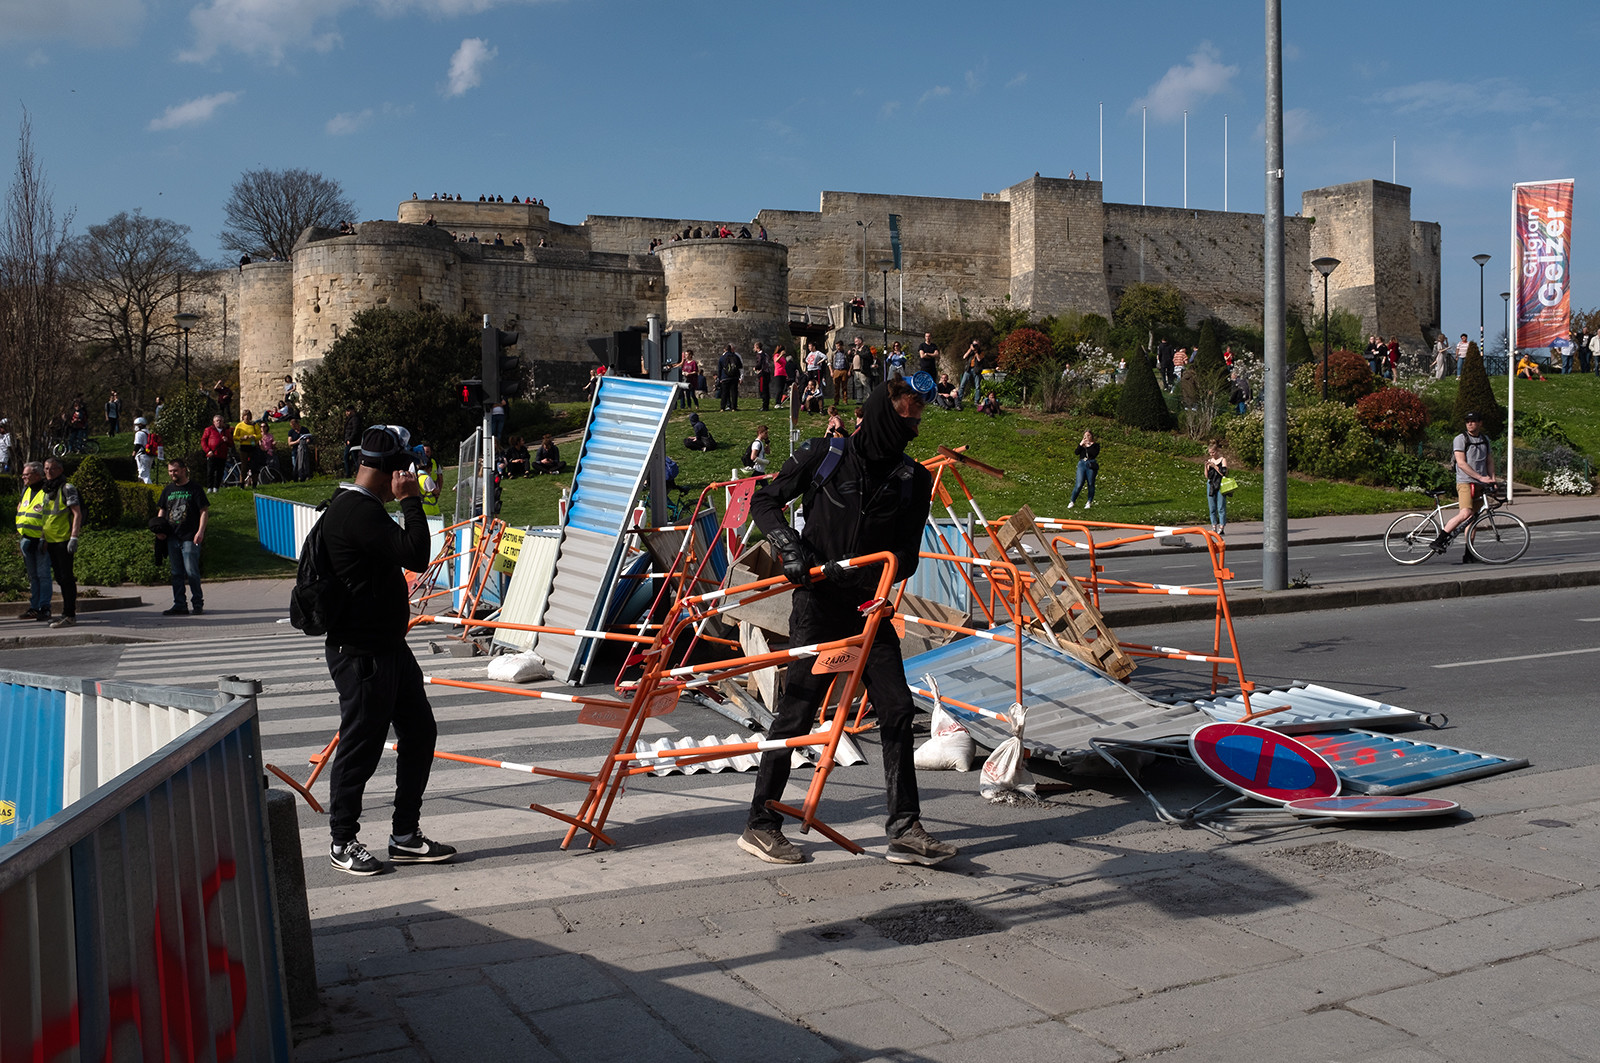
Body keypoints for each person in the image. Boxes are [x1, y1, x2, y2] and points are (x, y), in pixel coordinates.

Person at [741, 376, 955, 866]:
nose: (913, 428)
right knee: (797, 712)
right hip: (817, 604)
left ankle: (904, 828)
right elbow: (765, 501)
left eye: (918, 419)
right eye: (906, 418)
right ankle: (760, 824)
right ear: (882, 414)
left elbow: (907, 554)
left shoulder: (913, 479)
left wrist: (876, 574)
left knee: (898, 709)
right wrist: (789, 548)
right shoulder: (824, 455)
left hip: (867, 609)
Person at [322, 425, 455, 876]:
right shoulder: (356, 512)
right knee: (361, 745)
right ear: (389, 471)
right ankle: (342, 840)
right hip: (362, 652)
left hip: (388, 648)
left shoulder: (363, 508)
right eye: (403, 469)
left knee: (420, 732)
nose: (407, 475)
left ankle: (405, 836)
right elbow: (416, 555)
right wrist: (411, 501)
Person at [1431, 412, 1497, 563]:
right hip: (1465, 482)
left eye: (1473, 421)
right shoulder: (1460, 439)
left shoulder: (1485, 439)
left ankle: (1469, 553)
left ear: (1480, 423)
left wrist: (1492, 480)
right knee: (1466, 513)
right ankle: (1439, 540)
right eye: (1467, 421)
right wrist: (1480, 477)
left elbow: (1489, 461)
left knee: (1473, 520)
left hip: (1480, 483)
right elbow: (1461, 463)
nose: (1470, 424)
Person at [156, 457, 208, 616]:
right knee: (176, 573)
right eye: (170, 471)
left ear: (184, 470)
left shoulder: (195, 488)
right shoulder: (168, 490)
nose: (172, 474)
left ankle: (197, 603)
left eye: (175, 471)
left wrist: (200, 531)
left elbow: (204, 511)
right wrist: (159, 528)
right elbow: (162, 510)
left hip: (190, 537)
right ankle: (179, 605)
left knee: (191, 572)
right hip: (172, 537)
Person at [39, 458, 84, 628]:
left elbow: (77, 513)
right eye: (46, 468)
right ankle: (66, 613)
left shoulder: (67, 488)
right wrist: (43, 537)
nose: (48, 472)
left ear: (60, 470)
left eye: (52, 468)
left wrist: (74, 537)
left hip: (63, 540)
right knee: (59, 578)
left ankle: (70, 615)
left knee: (66, 578)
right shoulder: (46, 489)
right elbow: (45, 516)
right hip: (50, 540)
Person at [15, 462, 60, 623]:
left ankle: (44, 607)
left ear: (36, 475)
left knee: (43, 575)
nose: (23, 477)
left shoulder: (47, 491)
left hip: (41, 540)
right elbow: (21, 508)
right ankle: (34, 607)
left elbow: (51, 516)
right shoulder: (26, 490)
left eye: (26, 474)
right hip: (27, 539)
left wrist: (45, 537)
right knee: (33, 576)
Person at [1069, 430, 1100, 510]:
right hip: (1082, 464)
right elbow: (1076, 452)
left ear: (1091, 436)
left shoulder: (1095, 445)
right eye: (1085, 436)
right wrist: (1081, 444)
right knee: (1079, 484)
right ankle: (1072, 501)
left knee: (1090, 483)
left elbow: (1094, 454)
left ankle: (1089, 501)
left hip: (1090, 464)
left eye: (1088, 435)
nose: (1087, 437)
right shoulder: (1082, 445)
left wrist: (1088, 445)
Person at [232, 410, 263, 487]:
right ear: (243, 417)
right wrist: (242, 438)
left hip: (253, 446)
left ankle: (254, 483)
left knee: (254, 466)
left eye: (248, 415)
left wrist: (254, 437)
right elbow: (235, 437)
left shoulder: (254, 425)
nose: (247, 417)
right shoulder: (239, 425)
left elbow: (260, 435)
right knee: (244, 467)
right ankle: (242, 483)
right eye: (245, 415)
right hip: (244, 447)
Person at [1204, 442, 1228, 536]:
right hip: (1211, 484)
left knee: (1221, 507)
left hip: (1220, 484)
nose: (1212, 454)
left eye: (1213, 452)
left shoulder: (1222, 460)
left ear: (1217, 451)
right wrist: (1206, 466)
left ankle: (1222, 527)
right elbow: (1207, 476)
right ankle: (1214, 526)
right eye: (1210, 453)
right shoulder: (1209, 461)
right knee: (1212, 507)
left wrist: (1215, 466)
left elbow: (1224, 473)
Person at [717, 343, 743, 411]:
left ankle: (722, 408)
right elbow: (740, 366)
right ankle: (734, 407)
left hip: (725, 377)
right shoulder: (735, 356)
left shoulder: (722, 358)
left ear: (724, 349)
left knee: (724, 393)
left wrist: (719, 378)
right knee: (734, 393)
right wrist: (739, 376)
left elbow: (719, 369)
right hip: (734, 377)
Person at [288, 416, 314, 482]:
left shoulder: (304, 430)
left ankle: (305, 476)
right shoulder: (291, 432)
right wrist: (297, 441)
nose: (293, 427)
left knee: (304, 463)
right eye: (292, 426)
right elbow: (290, 443)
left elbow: (308, 438)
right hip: (295, 450)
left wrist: (306, 441)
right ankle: (296, 478)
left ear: (297, 424)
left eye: (294, 425)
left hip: (303, 449)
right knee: (295, 465)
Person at [958, 340, 983, 409]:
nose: (975, 346)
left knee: (977, 386)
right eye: (974, 344)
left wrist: (976, 352)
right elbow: (964, 357)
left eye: (976, 345)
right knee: (962, 385)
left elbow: (979, 359)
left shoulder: (981, 352)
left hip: (976, 370)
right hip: (968, 369)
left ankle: (976, 401)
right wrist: (970, 349)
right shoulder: (970, 351)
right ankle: (959, 400)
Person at [132, 416, 155, 484]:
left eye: (136, 425)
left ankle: (149, 487)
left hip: (142, 455)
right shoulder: (148, 432)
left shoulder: (139, 433)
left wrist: (133, 454)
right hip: (149, 455)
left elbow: (138, 445)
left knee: (143, 475)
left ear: (140, 425)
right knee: (146, 473)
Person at [342, 407, 362, 477]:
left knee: (354, 458)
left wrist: (350, 440)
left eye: (348, 411)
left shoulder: (355, 419)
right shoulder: (350, 419)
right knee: (347, 457)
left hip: (353, 443)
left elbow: (355, 430)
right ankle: (348, 473)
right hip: (349, 442)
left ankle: (356, 473)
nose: (347, 413)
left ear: (352, 410)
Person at [753, 341, 772, 411]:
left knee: (762, 389)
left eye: (755, 347)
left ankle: (764, 406)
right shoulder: (766, 354)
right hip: (767, 373)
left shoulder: (759, 355)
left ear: (757, 347)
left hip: (762, 374)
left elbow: (759, 363)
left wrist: (755, 368)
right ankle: (766, 405)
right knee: (766, 389)